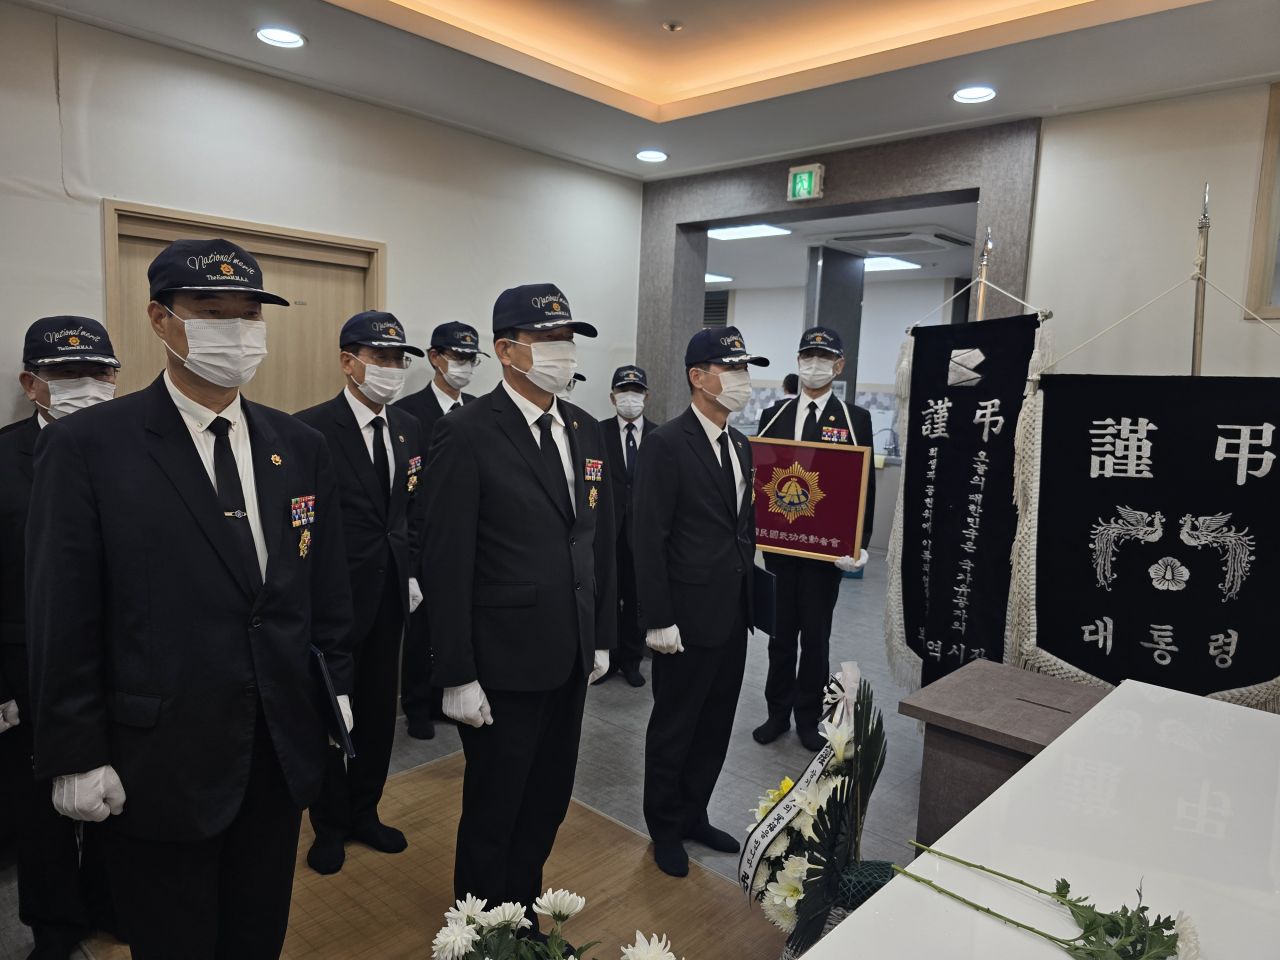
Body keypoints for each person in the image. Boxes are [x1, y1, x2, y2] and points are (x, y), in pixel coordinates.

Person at [25, 239, 355, 960]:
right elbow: (63, 611)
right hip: (158, 762)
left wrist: (335, 690)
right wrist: (73, 752)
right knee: (175, 942)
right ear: (160, 319)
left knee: (257, 934)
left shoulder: (298, 444)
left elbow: (321, 589)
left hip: (276, 751)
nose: (235, 332)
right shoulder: (89, 447)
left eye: (249, 315)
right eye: (211, 312)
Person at [421, 283, 616, 930]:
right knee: (495, 807)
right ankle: (479, 930)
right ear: (506, 350)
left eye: (569, 339)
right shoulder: (466, 433)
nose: (564, 352)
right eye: (548, 340)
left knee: (547, 800)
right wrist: (456, 672)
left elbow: (595, 541)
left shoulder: (585, 429)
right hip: (501, 663)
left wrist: (602, 634)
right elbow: (445, 561)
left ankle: (521, 914)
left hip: (569, 653)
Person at [0, 316, 120, 959]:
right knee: (38, 804)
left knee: (119, 793)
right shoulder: (4, 458)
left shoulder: (137, 447)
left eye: (99, 372)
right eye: (68, 374)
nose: (87, 385)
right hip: (28, 665)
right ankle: (53, 926)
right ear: (31, 383)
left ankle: (109, 905)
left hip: (121, 655)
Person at [633, 326, 767, 878]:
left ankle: (694, 813)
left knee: (715, 723)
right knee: (675, 726)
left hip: (732, 612)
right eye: (731, 369)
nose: (742, 380)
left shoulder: (741, 444)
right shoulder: (666, 444)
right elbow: (647, 536)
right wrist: (658, 618)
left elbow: (742, 528)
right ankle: (664, 828)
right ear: (698, 376)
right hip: (684, 618)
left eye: (745, 369)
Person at [296, 311, 426, 875]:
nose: (392, 368)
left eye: (399, 359)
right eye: (381, 358)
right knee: (331, 711)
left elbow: (409, 511)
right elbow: (301, 527)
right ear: (349, 362)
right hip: (332, 600)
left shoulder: (408, 428)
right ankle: (328, 824)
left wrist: (412, 571)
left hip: (390, 595)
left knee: (376, 712)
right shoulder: (309, 431)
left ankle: (365, 810)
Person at [752, 326, 876, 751]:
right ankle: (776, 713)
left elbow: (862, 486)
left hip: (825, 555)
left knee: (816, 640)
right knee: (780, 637)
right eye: (808, 356)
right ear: (798, 361)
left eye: (824, 358)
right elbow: (761, 475)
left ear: (839, 365)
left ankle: (808, 717)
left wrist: (859, 542)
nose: (815, 364)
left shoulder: (855, 420)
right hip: (782, 549)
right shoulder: (774, 415)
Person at [393, 321, 485, 739]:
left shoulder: (480, 411)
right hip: (420, 534)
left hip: (466, 537)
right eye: (457, 357)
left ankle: (450, 690)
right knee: (421, 628)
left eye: (471, 359)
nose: (464, 366)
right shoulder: (409, 412)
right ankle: (417, 705)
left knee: (457, 621)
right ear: (435, 357)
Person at [592, 365, 656, 688]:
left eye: (636, 391)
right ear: (612, 396)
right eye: (623, 390)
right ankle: (607, 658)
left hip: (642, 532)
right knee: (606, 595)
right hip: (606, 530)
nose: (630, 397)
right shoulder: (596, 432)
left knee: (635, 598)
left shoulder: (659, 436)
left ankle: (631, 660)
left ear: (646, 396)